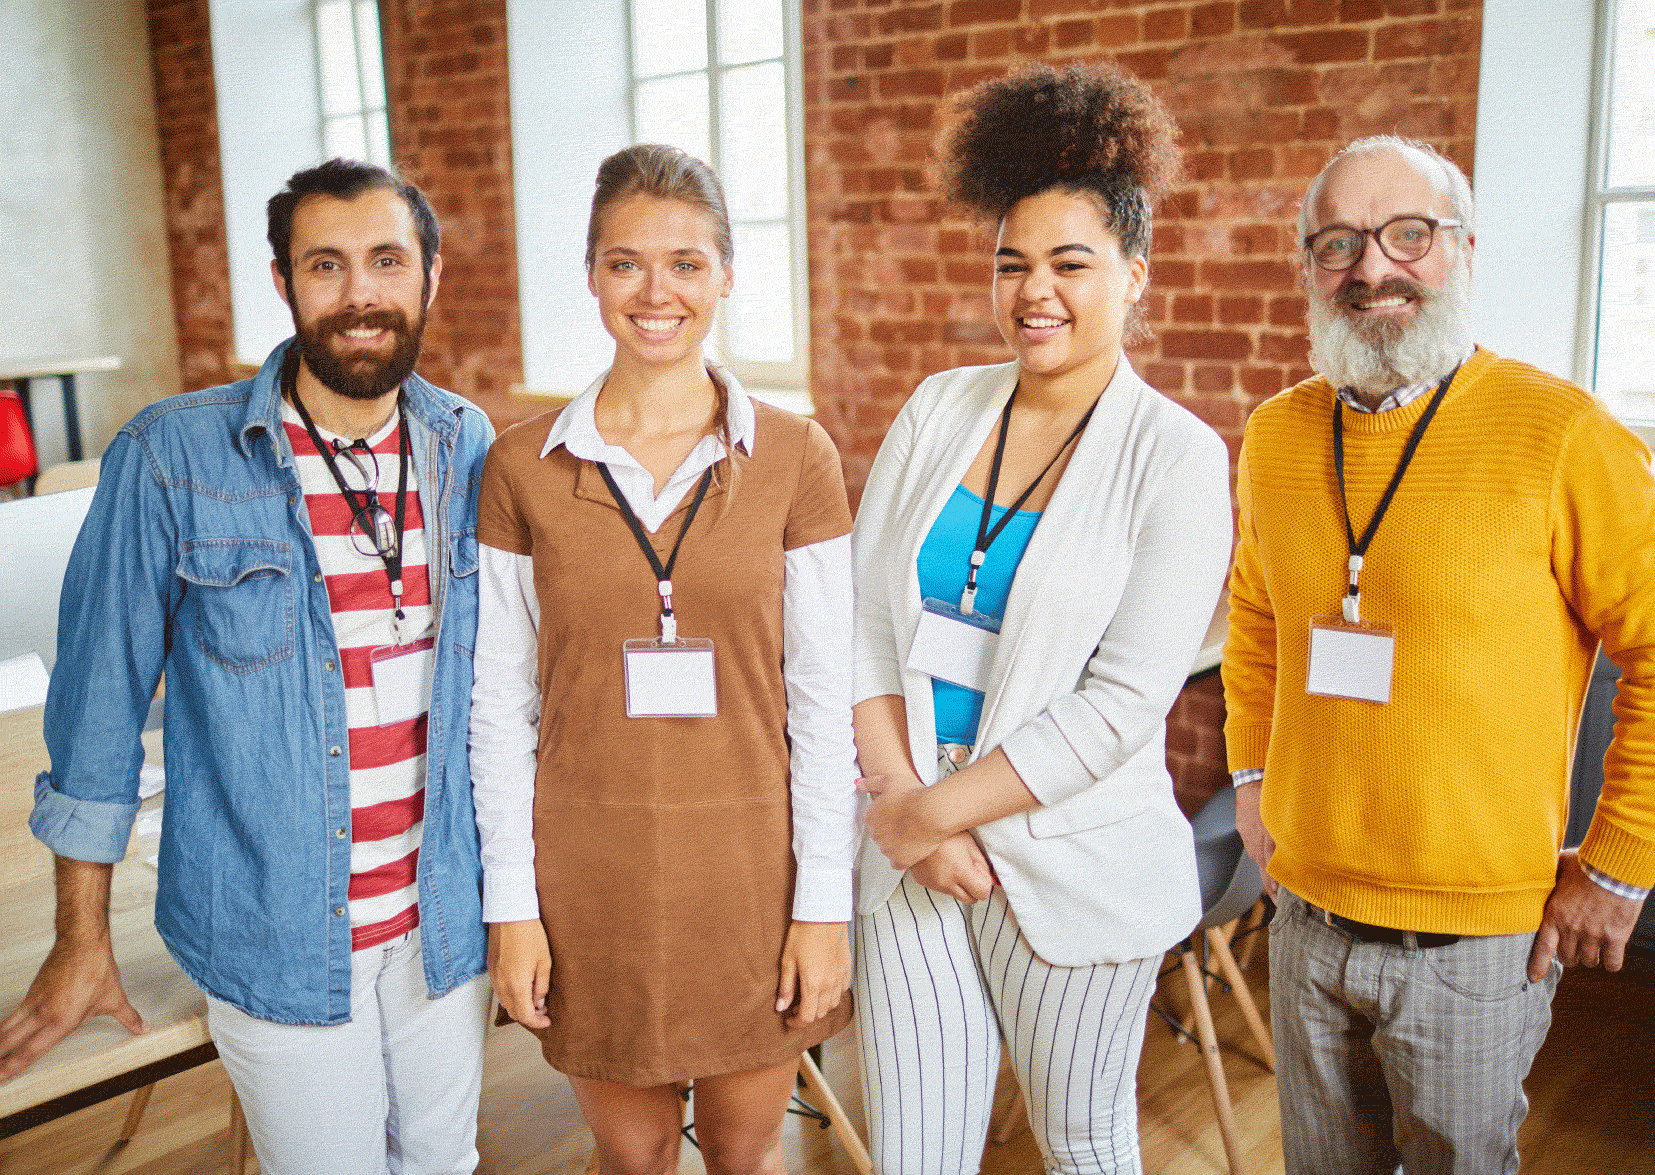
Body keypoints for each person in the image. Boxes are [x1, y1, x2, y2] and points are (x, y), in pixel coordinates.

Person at [0, 159, 495, 1173]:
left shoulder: (466, 442)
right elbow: (96, 716)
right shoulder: (171, 457)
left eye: (386, 261)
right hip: (276, 928)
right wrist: (81, 937)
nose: (359, 294)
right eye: (326, 264)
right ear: (282, 281)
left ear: (430, 276)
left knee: (443, 1164)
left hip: (443, 922)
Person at [1223, 134, 1655, 1175]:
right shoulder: (1276, 434)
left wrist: (1618, 864)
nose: (1371, 268)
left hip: (1472, 943)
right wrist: (1249, 779)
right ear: (1309, 269)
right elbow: (1253, 625)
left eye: (1404, 234)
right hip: (1304, 915)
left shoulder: (1560, 432)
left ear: (1459, 249)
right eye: (1337, 244)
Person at [851, 63, 1234, 1175]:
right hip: (907, 847)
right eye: (1011, 263)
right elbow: (865, 620)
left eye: (1070, 263)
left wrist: (933, 811)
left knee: (1081, 1143)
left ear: (1133, 274)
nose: (1035, 291)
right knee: (914, 1150)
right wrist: (898, 804)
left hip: (1068, 864)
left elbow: (1119, 706)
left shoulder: (1175, 457)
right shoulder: (939, 405)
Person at [468, 143, 857, 1175]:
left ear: (727, 274)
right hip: (585, 877)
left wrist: (823, 903)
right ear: (591, 275)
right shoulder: (519, 464)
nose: (656, 291)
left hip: (752, 873)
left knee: (743, 1149)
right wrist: (511, 906)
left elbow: (822, 702)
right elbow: (496, 706)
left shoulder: (794, 456)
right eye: (626, 262)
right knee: (630, 1155)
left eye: (686, 262)